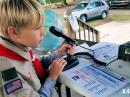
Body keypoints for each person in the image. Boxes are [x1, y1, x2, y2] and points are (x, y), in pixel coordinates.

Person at [0, 0, 75, 97]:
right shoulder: (6, 70)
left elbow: (35, 62)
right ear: (14, 32)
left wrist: (58, 53)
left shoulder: (20, 45)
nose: (43, 33)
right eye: (37, 28)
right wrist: (52, 77)